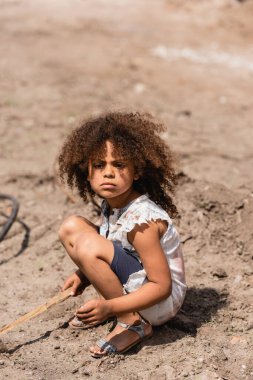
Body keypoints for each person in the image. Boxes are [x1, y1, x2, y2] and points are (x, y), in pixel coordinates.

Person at [58, 111, 186, 357]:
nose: (108, 173)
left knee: (88, 244)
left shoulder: (142, 222)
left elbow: (162, 287)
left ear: (136, 171)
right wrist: (83, 274)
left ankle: (132, 322)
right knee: (72, 226)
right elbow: (112, 245)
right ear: (87, 172)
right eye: (99, 165)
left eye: (119, 165)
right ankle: (124, 312)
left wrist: (109, 306)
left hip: (158, 303)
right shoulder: (113, 203)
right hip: (139, 286)